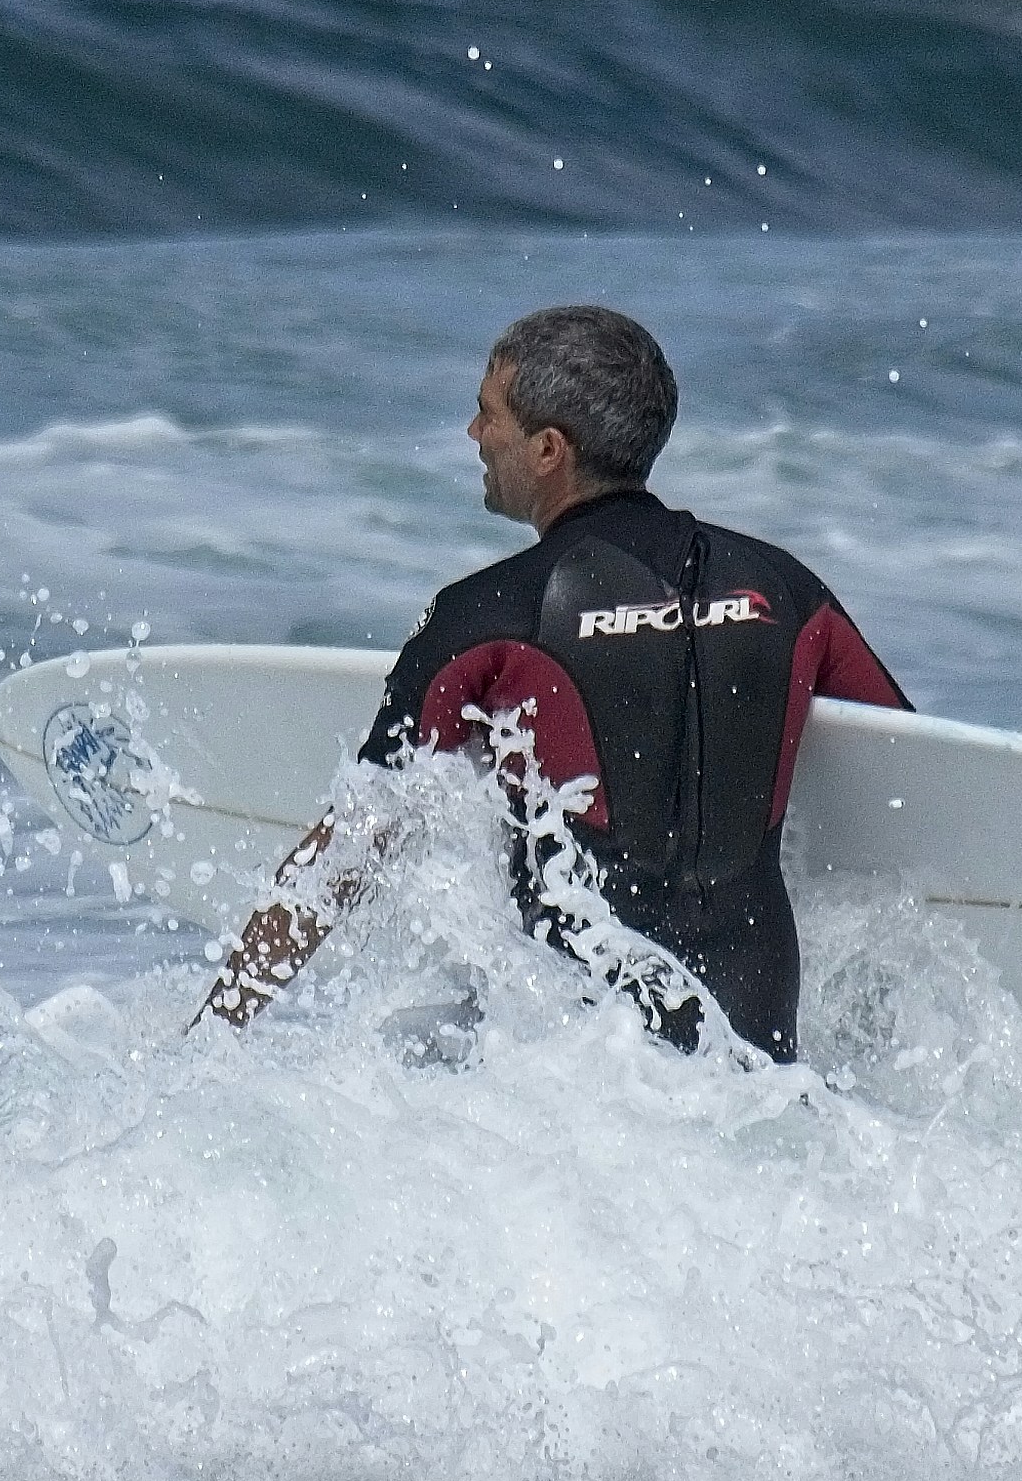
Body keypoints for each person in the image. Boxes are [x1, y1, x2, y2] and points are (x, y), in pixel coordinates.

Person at [202, 305, 909, 1060]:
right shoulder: (784, 588)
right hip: (760, 1053)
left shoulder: (487, 617)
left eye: (487, 414)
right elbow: (908, 763)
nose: (474, 435)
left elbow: (351, 848)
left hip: (571, 1068)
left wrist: (212, 1034)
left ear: (547, 449)